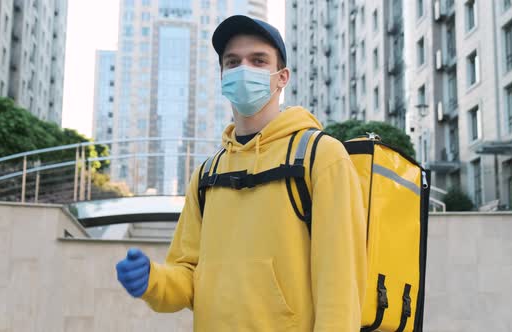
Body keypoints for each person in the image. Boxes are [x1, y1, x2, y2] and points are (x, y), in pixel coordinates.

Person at [116, 15, 366, 331]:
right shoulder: (207, 175)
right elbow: (188, 278)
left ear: (282, 77)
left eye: (258, 60)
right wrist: (153, 281)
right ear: (222, 76)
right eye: (232, 62)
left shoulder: (321, 156)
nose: (243, 69)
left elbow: (341, 285)